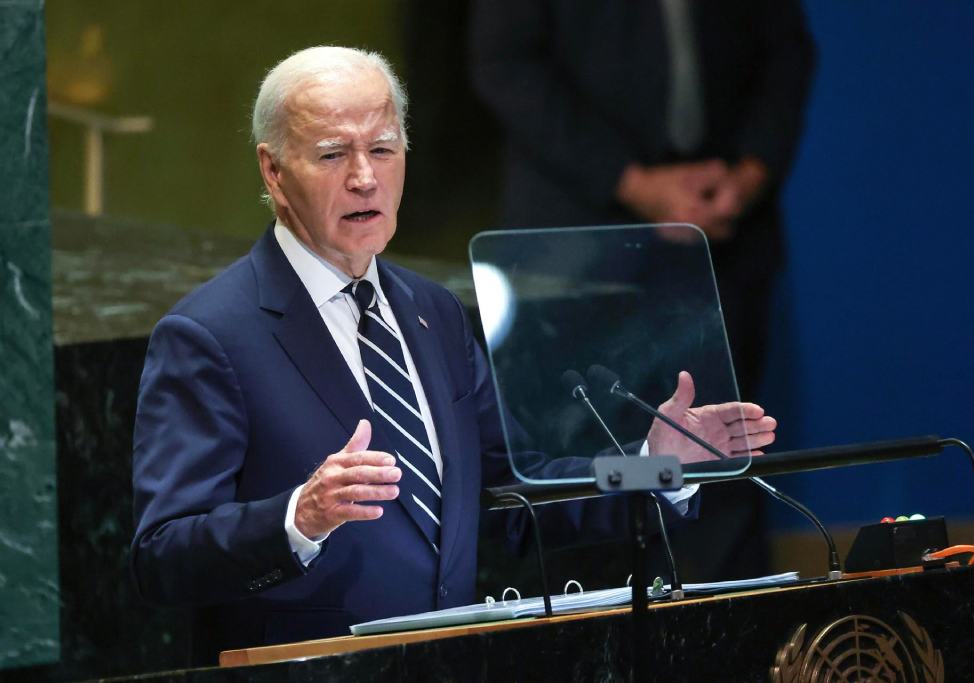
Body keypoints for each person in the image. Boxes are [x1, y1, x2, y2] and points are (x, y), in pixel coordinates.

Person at [130, 46, 777, 664]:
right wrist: (298, 516)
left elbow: (514, 491)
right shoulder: (208, 335)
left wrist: (653, 465)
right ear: (273, 169)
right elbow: (161, 555)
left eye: (382, 149)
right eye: (332, 154)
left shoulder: (432, 312)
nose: (363, 176)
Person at [469, 0, 814, 581]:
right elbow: (503, 60)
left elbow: (787, 51)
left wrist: (749, 172)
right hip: (574, 252)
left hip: (725, 237)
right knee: (579, 485)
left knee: (723, 460)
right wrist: (631, 181)